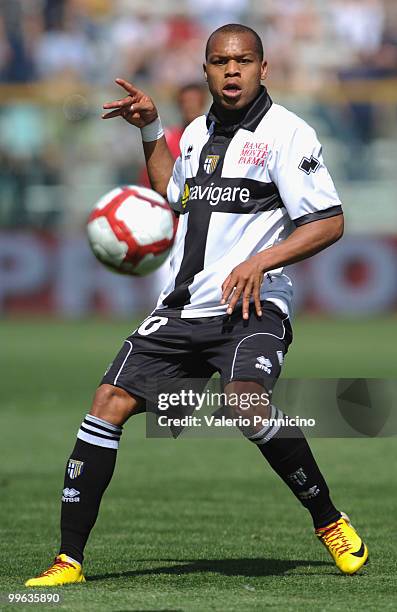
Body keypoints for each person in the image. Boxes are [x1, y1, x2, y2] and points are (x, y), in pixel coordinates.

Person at [25, 23, 368, 587]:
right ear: (205, 70)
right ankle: (68, 562)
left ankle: (328, 520)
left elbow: (328, 221)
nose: (231, 71)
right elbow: (173, 196)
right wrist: (152, 131)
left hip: (252, 308)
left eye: (243, 61)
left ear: (264, 69)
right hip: (182, 308)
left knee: (245, 403)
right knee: (107, 402)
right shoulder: (195, 134)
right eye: (219, 62)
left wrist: (262, 260)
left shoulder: (287, 134)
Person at [138, 82, 207, 187]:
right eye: (185, 102)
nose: (190, 106)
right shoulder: (166, 138)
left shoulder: (213, 138)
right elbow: (149, 178)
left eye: (194, 101)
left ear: (202, 103)